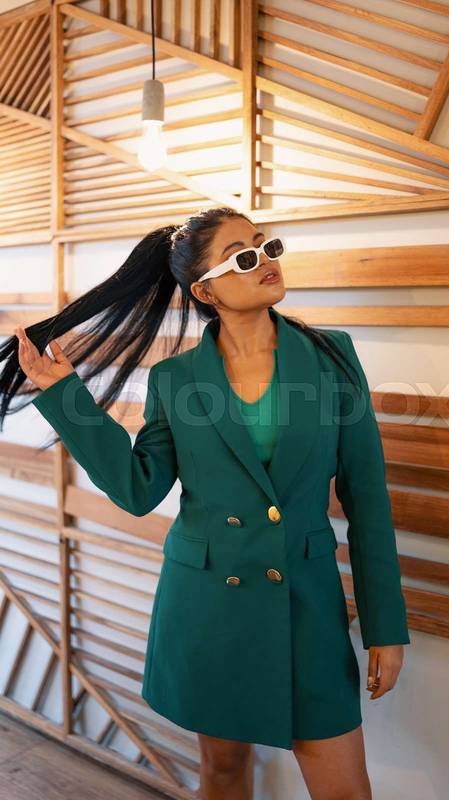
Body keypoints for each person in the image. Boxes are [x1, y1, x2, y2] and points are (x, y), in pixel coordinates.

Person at [2, 207, 410, 800]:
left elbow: (368, 501)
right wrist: (65, 395)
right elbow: (140, 489)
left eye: (267, 246)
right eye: (245, 257)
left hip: (309, 607)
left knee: (345, 788)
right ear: (205, 290)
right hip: (209, 606)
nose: (265, 261)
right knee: (221, 773)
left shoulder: (331, 357)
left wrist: (385, 626)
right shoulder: (175, 381)